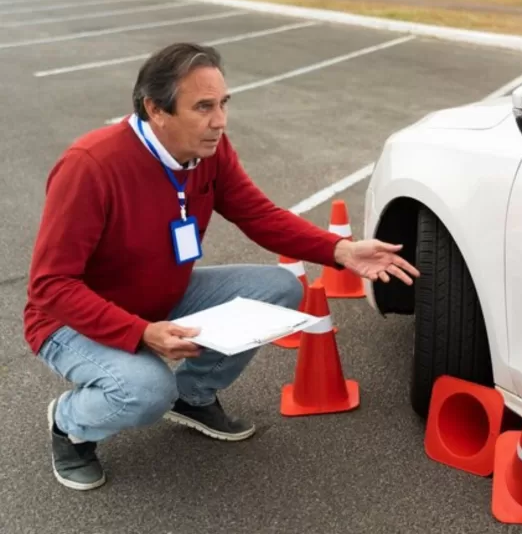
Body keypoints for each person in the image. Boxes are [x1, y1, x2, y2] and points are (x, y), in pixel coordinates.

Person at [23, 42, 420, 491]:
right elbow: (50, 285)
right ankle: (69, 425)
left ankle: (192, 396)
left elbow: (259, 215)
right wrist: (140, 333)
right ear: (157, 110)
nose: (220, 121)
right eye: (204, 107)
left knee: (279, 286)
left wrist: (341, 250)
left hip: (160, 297)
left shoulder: (209, 151)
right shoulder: (91, 166)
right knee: (147, 390)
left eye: (224, 103)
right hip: (69, 323)